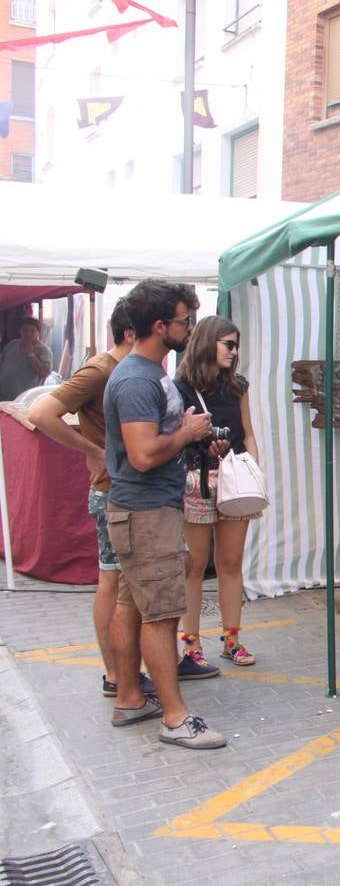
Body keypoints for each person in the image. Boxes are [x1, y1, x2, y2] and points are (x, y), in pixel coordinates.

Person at [103, 279, 227, 749]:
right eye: (184, 321)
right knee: (162, 615)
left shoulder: (150, 373)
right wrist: (187, 432)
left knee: (133, 605)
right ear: (159, 326)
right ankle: (175, 718)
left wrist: (194, 437)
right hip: (145, 512)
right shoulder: (136, 379)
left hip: (147, 509)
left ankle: (130, 697)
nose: (190, 329)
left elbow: (157, 440)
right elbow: (142, 454)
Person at [29, 300, 155, 700]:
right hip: (111, 489)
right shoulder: (102, 369)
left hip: (127, 489)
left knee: (119, 582)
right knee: (112, 580)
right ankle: (116, 674)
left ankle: (123, 671)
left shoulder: (123, 369)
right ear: (131, 333)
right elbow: (42, 412)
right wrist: (92, 450)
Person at [174, 316, 263, 674]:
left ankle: (231, 639)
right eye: (228, 344)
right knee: (194, 566)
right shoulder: (180, 387)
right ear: (208, 343)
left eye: (236, 344)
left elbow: (250, 432)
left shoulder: (238, 387)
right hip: (197, 480)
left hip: (233, 481)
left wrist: (251, 466)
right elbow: (177, 435)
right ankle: (191, 645)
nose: (234, 351)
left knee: (230, 562)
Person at [0, 316, 53, 400]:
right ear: (20, 331)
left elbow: (45, 373)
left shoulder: (43, 350)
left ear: (38, 332)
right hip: (3, 395)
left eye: (32, 331)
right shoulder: (12, 344)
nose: (28, 333)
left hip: (25, 399)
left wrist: (30, 353)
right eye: (25, 330)